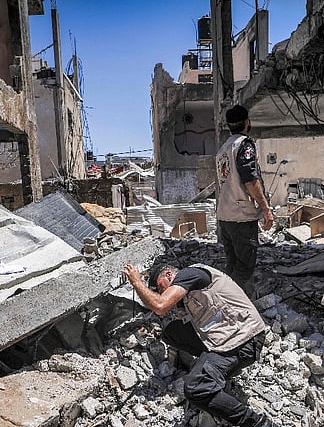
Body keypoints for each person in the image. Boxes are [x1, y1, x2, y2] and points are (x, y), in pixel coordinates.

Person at [121, 262, 278, 427]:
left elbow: (160, 306)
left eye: (161, 288)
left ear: (168, 275)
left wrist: (136, 282)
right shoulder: (189, 290)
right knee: (172, 332)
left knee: (196, 388)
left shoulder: (189, 274)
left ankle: (257, 423)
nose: (161, 293)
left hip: (243, 339)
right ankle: (213, 370)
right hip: (229, 337)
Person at [215, 105, 274, 284]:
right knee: (244, 267)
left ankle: (223, 301)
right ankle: (232, 304)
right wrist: (266, 208)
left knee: (232, 265)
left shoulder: (223, 149)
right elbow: (250, 180)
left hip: (225, 216)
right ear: (247, 122)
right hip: (242, 216)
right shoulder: (244, 145)